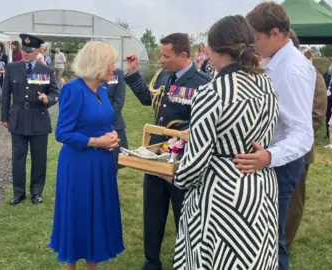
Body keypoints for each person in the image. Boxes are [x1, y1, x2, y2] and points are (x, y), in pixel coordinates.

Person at [170, 15, 279, 269]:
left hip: (221, 194)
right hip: (258, 186)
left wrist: (175, 176)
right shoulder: (266, 85)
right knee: (254, 258)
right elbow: (267, 134)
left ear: (215, 50)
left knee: (217, 259)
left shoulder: (212, 93)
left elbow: (196, 160)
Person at [235, 3, 316, 269]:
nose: (253, 46)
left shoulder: (291, 70)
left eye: (256, 39)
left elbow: (303, 134)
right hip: (267, 159)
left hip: (278, 163)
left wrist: (269, 156)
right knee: (260, 237)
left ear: (275, 33)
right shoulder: (274, 61)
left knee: (271, 241)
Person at [124, 33, 210, 270]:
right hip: (155, 154)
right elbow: (147, 100)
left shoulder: (202, 82)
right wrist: (133, 73)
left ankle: (182, 260)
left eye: (165, 55)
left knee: (183, 212)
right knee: (152, 210)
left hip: (183, 161)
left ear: (183, 55)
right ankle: (152, 260)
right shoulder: (164, 76)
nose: (160, 60)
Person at [49, 40, 124, 270]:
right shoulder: (73, 89)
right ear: (98, 64)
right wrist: (96, 141)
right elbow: (62, 133)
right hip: (79, 165)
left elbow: (102, 120)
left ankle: (92, 265)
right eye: (111, 63)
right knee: (79, 214)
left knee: (96, 215)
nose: (114, 68)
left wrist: (110, 136)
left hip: (101, 163)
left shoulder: (101, 89)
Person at [0, 34, 59, 205]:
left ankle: (36, 191)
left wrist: (49, 100)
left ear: (38, 51)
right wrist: (4, 117)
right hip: (18, 117)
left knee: (38, 157)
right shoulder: (12, 68)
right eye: (24, 51)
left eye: (30, 51)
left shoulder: (46, 70)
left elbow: (55, 92)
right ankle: (19, 192)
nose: (26, 54)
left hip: (38, 117)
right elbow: (5, 94)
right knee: (18, 157)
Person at [285, 30, 327, 250]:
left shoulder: (311, 74)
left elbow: (317, 115)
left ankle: (284, 244)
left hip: (298, 150)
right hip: (271, 151)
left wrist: (289, 142)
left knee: (293, 201)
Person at [108, 68, 128, 173]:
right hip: (94, 128)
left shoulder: (117, 73)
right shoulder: (91, 71)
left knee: (112, 166)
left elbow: (119, 99)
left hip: (114, 124)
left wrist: (106, 117)